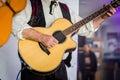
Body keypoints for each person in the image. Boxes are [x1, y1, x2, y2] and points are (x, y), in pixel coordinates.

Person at [12, 0, 116, 80]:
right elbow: (14, 24)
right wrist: (41, 37)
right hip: (34, 69)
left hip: (59, 68)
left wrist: (103, 17)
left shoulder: (65, 9)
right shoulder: (31, 4)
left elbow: (86, 28)